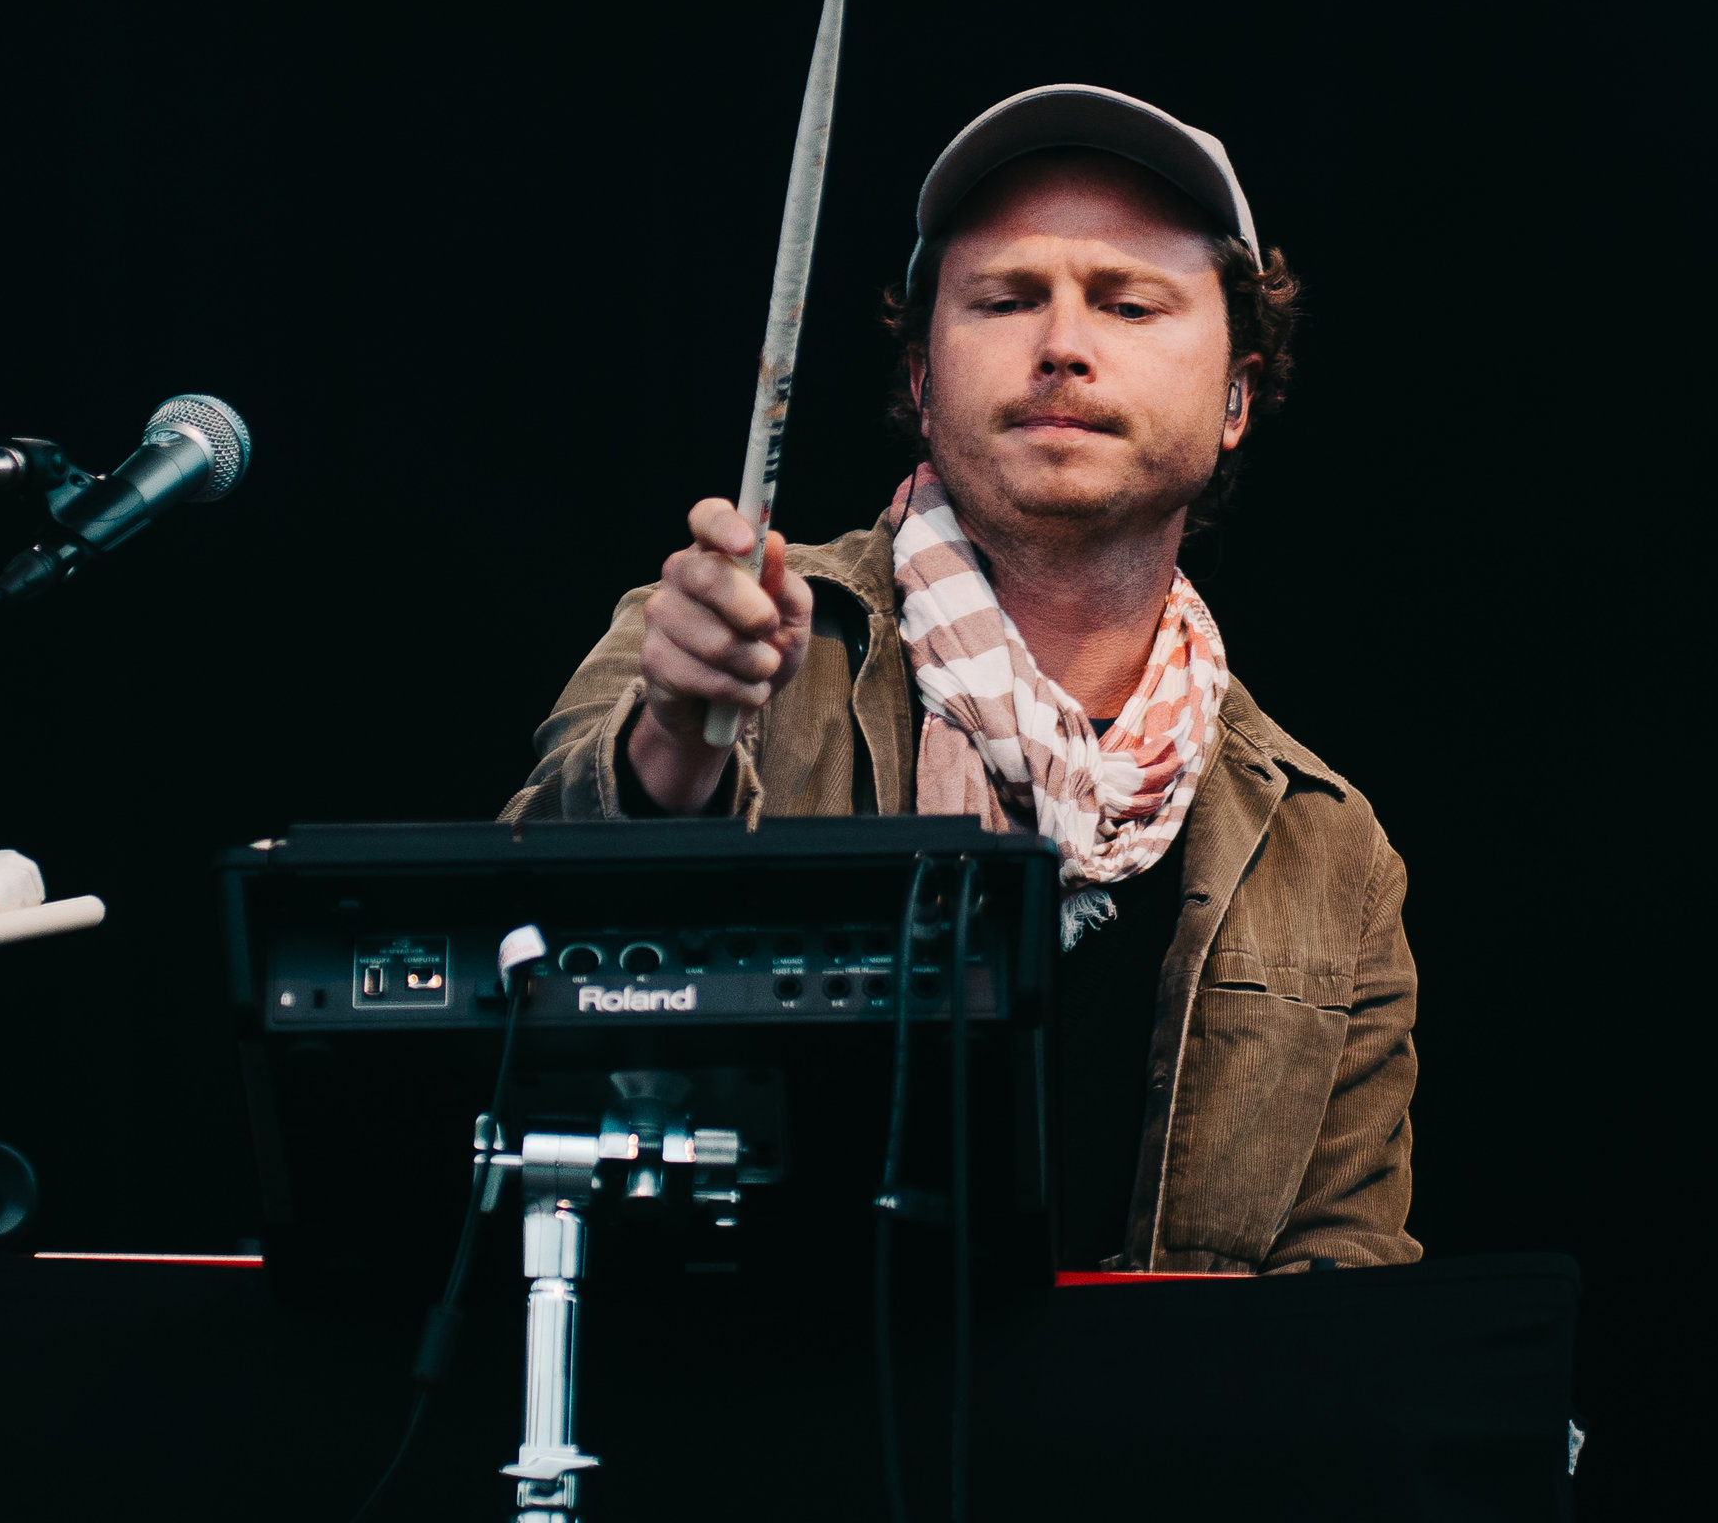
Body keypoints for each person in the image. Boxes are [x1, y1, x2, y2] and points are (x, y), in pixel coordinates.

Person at [503, 86, 1416, 1274]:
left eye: (1130, 302)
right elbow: (520, 982)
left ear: (1237, 397)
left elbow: (1348, 1291)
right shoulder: (723, 640)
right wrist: (678, 743)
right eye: (1004, 299)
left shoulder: (1328, 851)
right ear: (924, 385)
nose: (1064, 345)